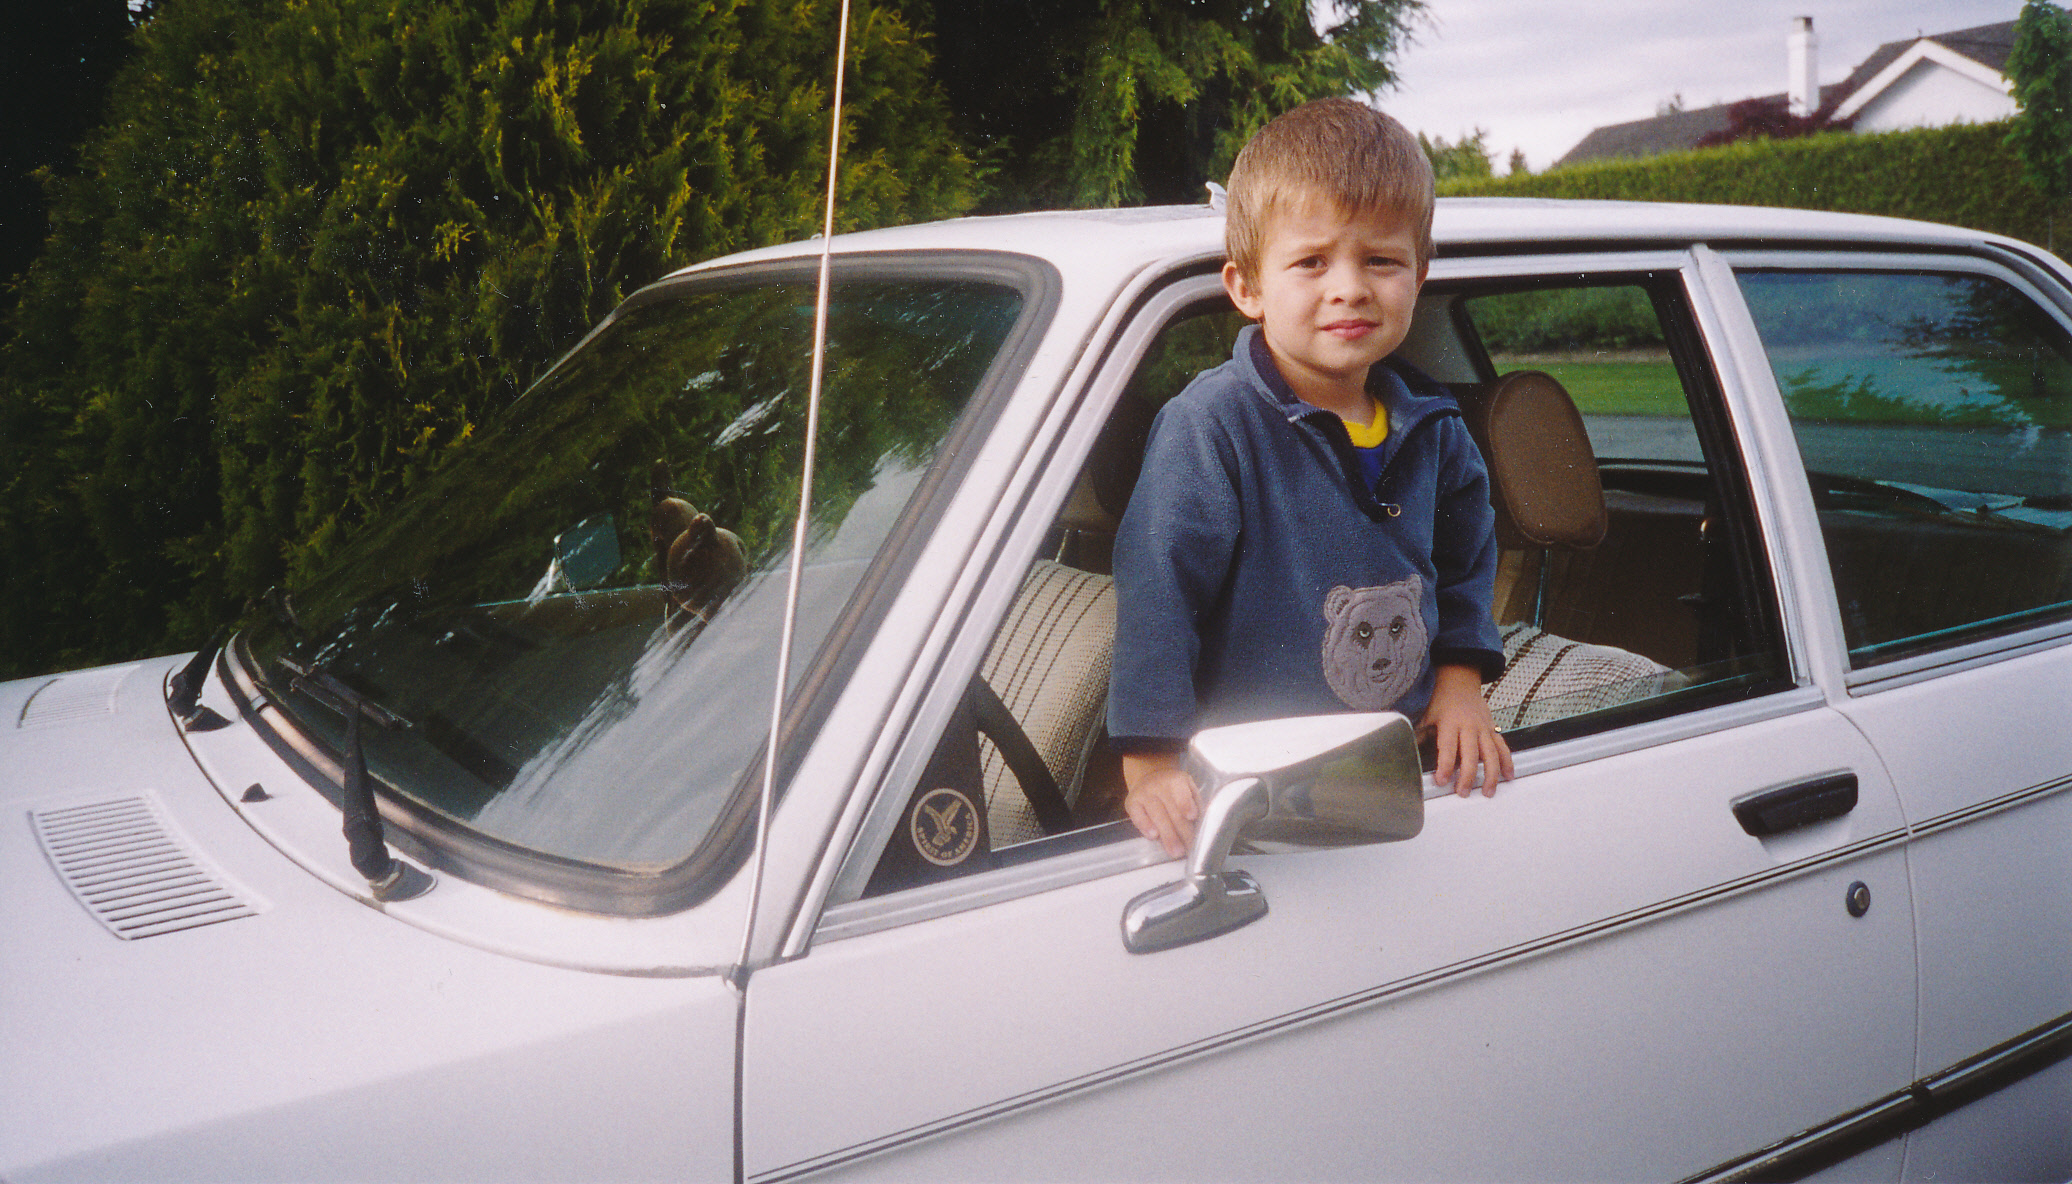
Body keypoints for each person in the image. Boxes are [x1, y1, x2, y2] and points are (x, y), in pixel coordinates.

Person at [1107, 98, 1513, 859]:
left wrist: (1461, 679)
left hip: (1393, 773)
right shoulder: (1212, 426)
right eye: (1311, 262)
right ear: (1247, 288)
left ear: (1420, 276)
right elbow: (1159, 591)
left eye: (1381, 260)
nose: (1350, 287)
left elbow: (1465, 565)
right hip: (1249, 790)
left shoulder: (1435, 428)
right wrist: (1152, 760)